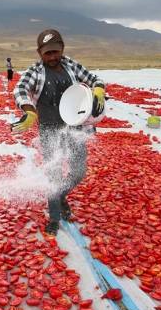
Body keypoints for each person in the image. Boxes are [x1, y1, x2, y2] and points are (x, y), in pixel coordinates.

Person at [11, 28, 105, 237]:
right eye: (47, 53)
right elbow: (20, 89)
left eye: (55, 52)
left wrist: (98, 90)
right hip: (50, 128)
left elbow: (94, 79)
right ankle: (54, 217)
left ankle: (61, 195)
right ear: (39, 53)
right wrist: (29, 111)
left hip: (74, 127)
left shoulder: (71, 65)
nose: (52, 57)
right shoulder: (36, 71)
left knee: (78, 170)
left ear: (62, 48)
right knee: (53, 173)